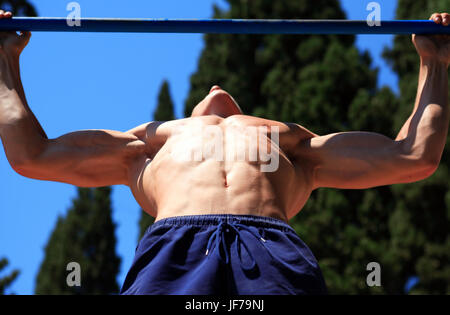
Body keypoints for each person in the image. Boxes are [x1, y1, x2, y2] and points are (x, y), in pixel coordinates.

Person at [0, 10, 449, 294]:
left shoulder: (292, 142)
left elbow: (414, 156)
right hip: (177, 248)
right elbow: (30, 156)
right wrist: (5, 61)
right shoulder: (147, 143)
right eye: (206, 90)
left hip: (270, 249)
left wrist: (435, 61)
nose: (217, 87)